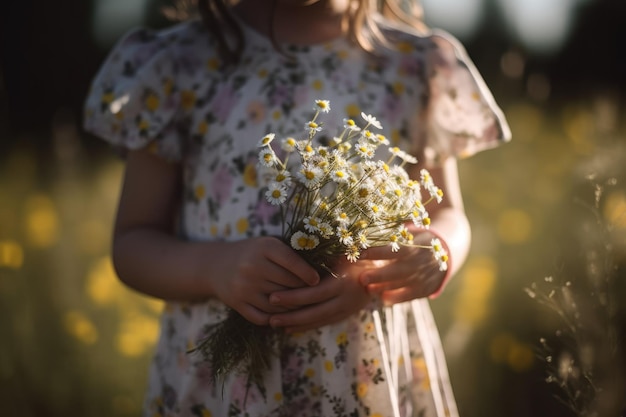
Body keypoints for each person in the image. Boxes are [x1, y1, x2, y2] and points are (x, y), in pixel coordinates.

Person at [84, 0, 510, 415]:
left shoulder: (415, 65)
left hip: (367, 375)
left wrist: (436, 252)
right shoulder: (179, 65)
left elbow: (448, 214)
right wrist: (215, 268)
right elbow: (132, 243)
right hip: (223, 384)